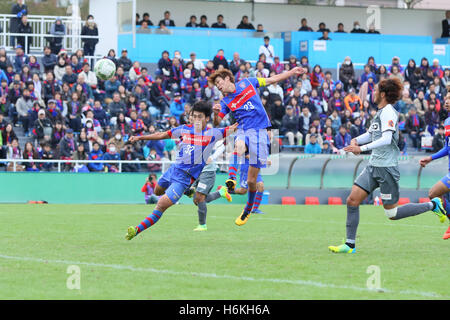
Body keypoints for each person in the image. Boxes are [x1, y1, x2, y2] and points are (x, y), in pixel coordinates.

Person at [329, 78, 447, 254]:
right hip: (373, 166)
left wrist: (360, 149)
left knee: (391, 214)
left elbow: (385, 139)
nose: (374, 93)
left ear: (383, 94)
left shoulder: (389, 113)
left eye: (376, 90)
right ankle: (350, 244)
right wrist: (355, 140)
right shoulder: (380, 112)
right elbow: (371, 134)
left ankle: (433, 205)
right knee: (352, 200)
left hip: (387, 169)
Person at [125, 101, 238, 240]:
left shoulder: (213, 134)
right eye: (194, 116)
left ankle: (136, 230)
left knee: (160, 205)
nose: (196, 120)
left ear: (207, 118)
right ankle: (188, 192)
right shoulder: (184, 129)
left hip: (183, 179)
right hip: (173, 170)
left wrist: (242, 110)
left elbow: (235, 127)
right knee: (157, 191)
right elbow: (161, 135)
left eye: (200, 117)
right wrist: (139, 137)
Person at [210, 65, 306, 226]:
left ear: (227, 78)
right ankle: (231, 179)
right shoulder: (225, 101)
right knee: (238, 146)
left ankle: (248, 209)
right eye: (216, 85)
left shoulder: (248, 82)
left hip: (261, 132)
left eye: (219, 82)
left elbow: (273, 79)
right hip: (243, 129)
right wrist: (215, 112)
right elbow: (217, 122)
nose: (218, 86)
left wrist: (291, 72)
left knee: (252, 182)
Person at [419, 92, 450, 239]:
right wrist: (430, 158)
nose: (447, 101)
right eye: (446, 98)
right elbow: (447, 148)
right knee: (437, 195)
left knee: (433, 193)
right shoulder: (447, 121)